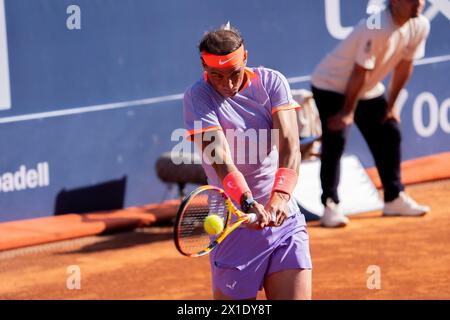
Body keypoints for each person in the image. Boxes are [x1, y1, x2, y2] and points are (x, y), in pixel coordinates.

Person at [183, 25, 312, 300]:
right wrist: (247, 202)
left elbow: (290, 145)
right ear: (203, 66)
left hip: (283, 221)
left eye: (234, 74)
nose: (227, 84)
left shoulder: (271, 82)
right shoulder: (198, 97)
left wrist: (280, 197)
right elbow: (221, 161)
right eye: (216, 76)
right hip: (233, 225)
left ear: (246, 59)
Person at [311, 0, 431, 228]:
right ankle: (330, 206)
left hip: (365, 87)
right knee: (336, 139)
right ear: (395, 2)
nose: (419, 3)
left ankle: (394, 198)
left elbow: (405, 65)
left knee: (389, 131)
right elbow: (360, 70)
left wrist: (391, 106)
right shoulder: (376, 26)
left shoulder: (420, 25)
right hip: (331, 84)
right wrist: (347, 112)